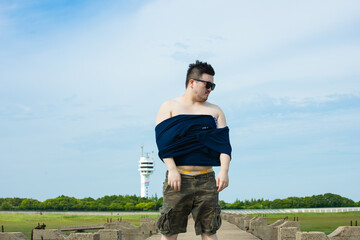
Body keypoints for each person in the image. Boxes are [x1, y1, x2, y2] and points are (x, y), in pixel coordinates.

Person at [155, 60, 232, 240]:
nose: (210, 89)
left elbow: (224, 145)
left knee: (209, 230)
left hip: (207, 179)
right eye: (207, 84)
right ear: (192, 82)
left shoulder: (215, 111)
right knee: (169, 230)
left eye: (213, 85)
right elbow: (163, 144)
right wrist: (172, 170)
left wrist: (224, 171)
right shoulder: (169, 106)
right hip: (178, 178)